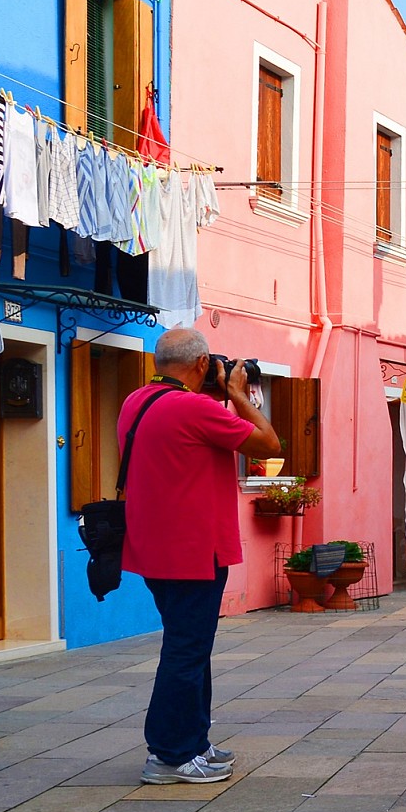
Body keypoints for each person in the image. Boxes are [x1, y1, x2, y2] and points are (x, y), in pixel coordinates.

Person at [120, 327, 280, 784]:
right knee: (186, 651)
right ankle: (169, 755)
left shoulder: (137, 401)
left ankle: (194, 741)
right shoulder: (193, 407)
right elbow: (269, 445)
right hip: (193, 552)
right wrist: (238, 391)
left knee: (190, 647)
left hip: (155, 548)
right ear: (202, 363)